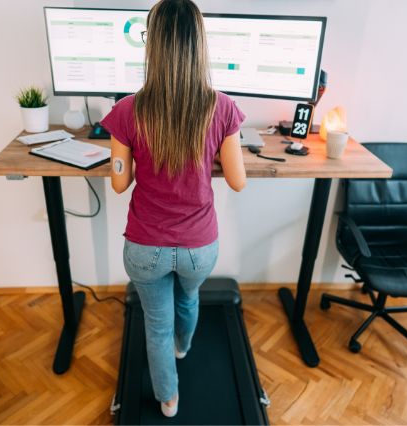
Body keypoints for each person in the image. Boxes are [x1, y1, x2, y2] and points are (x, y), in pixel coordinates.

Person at [101, 0, 246, 418]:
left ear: (154, 47)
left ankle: (168, 398)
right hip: (200, 247)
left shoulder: (128, 109)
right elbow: (237, 181)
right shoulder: (221, 108)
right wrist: (213, 152)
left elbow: (118, 181)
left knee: (155, 324)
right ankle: (185, 346)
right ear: (199, 45)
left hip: (146, 248)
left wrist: (125, 153)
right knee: (189, 298)